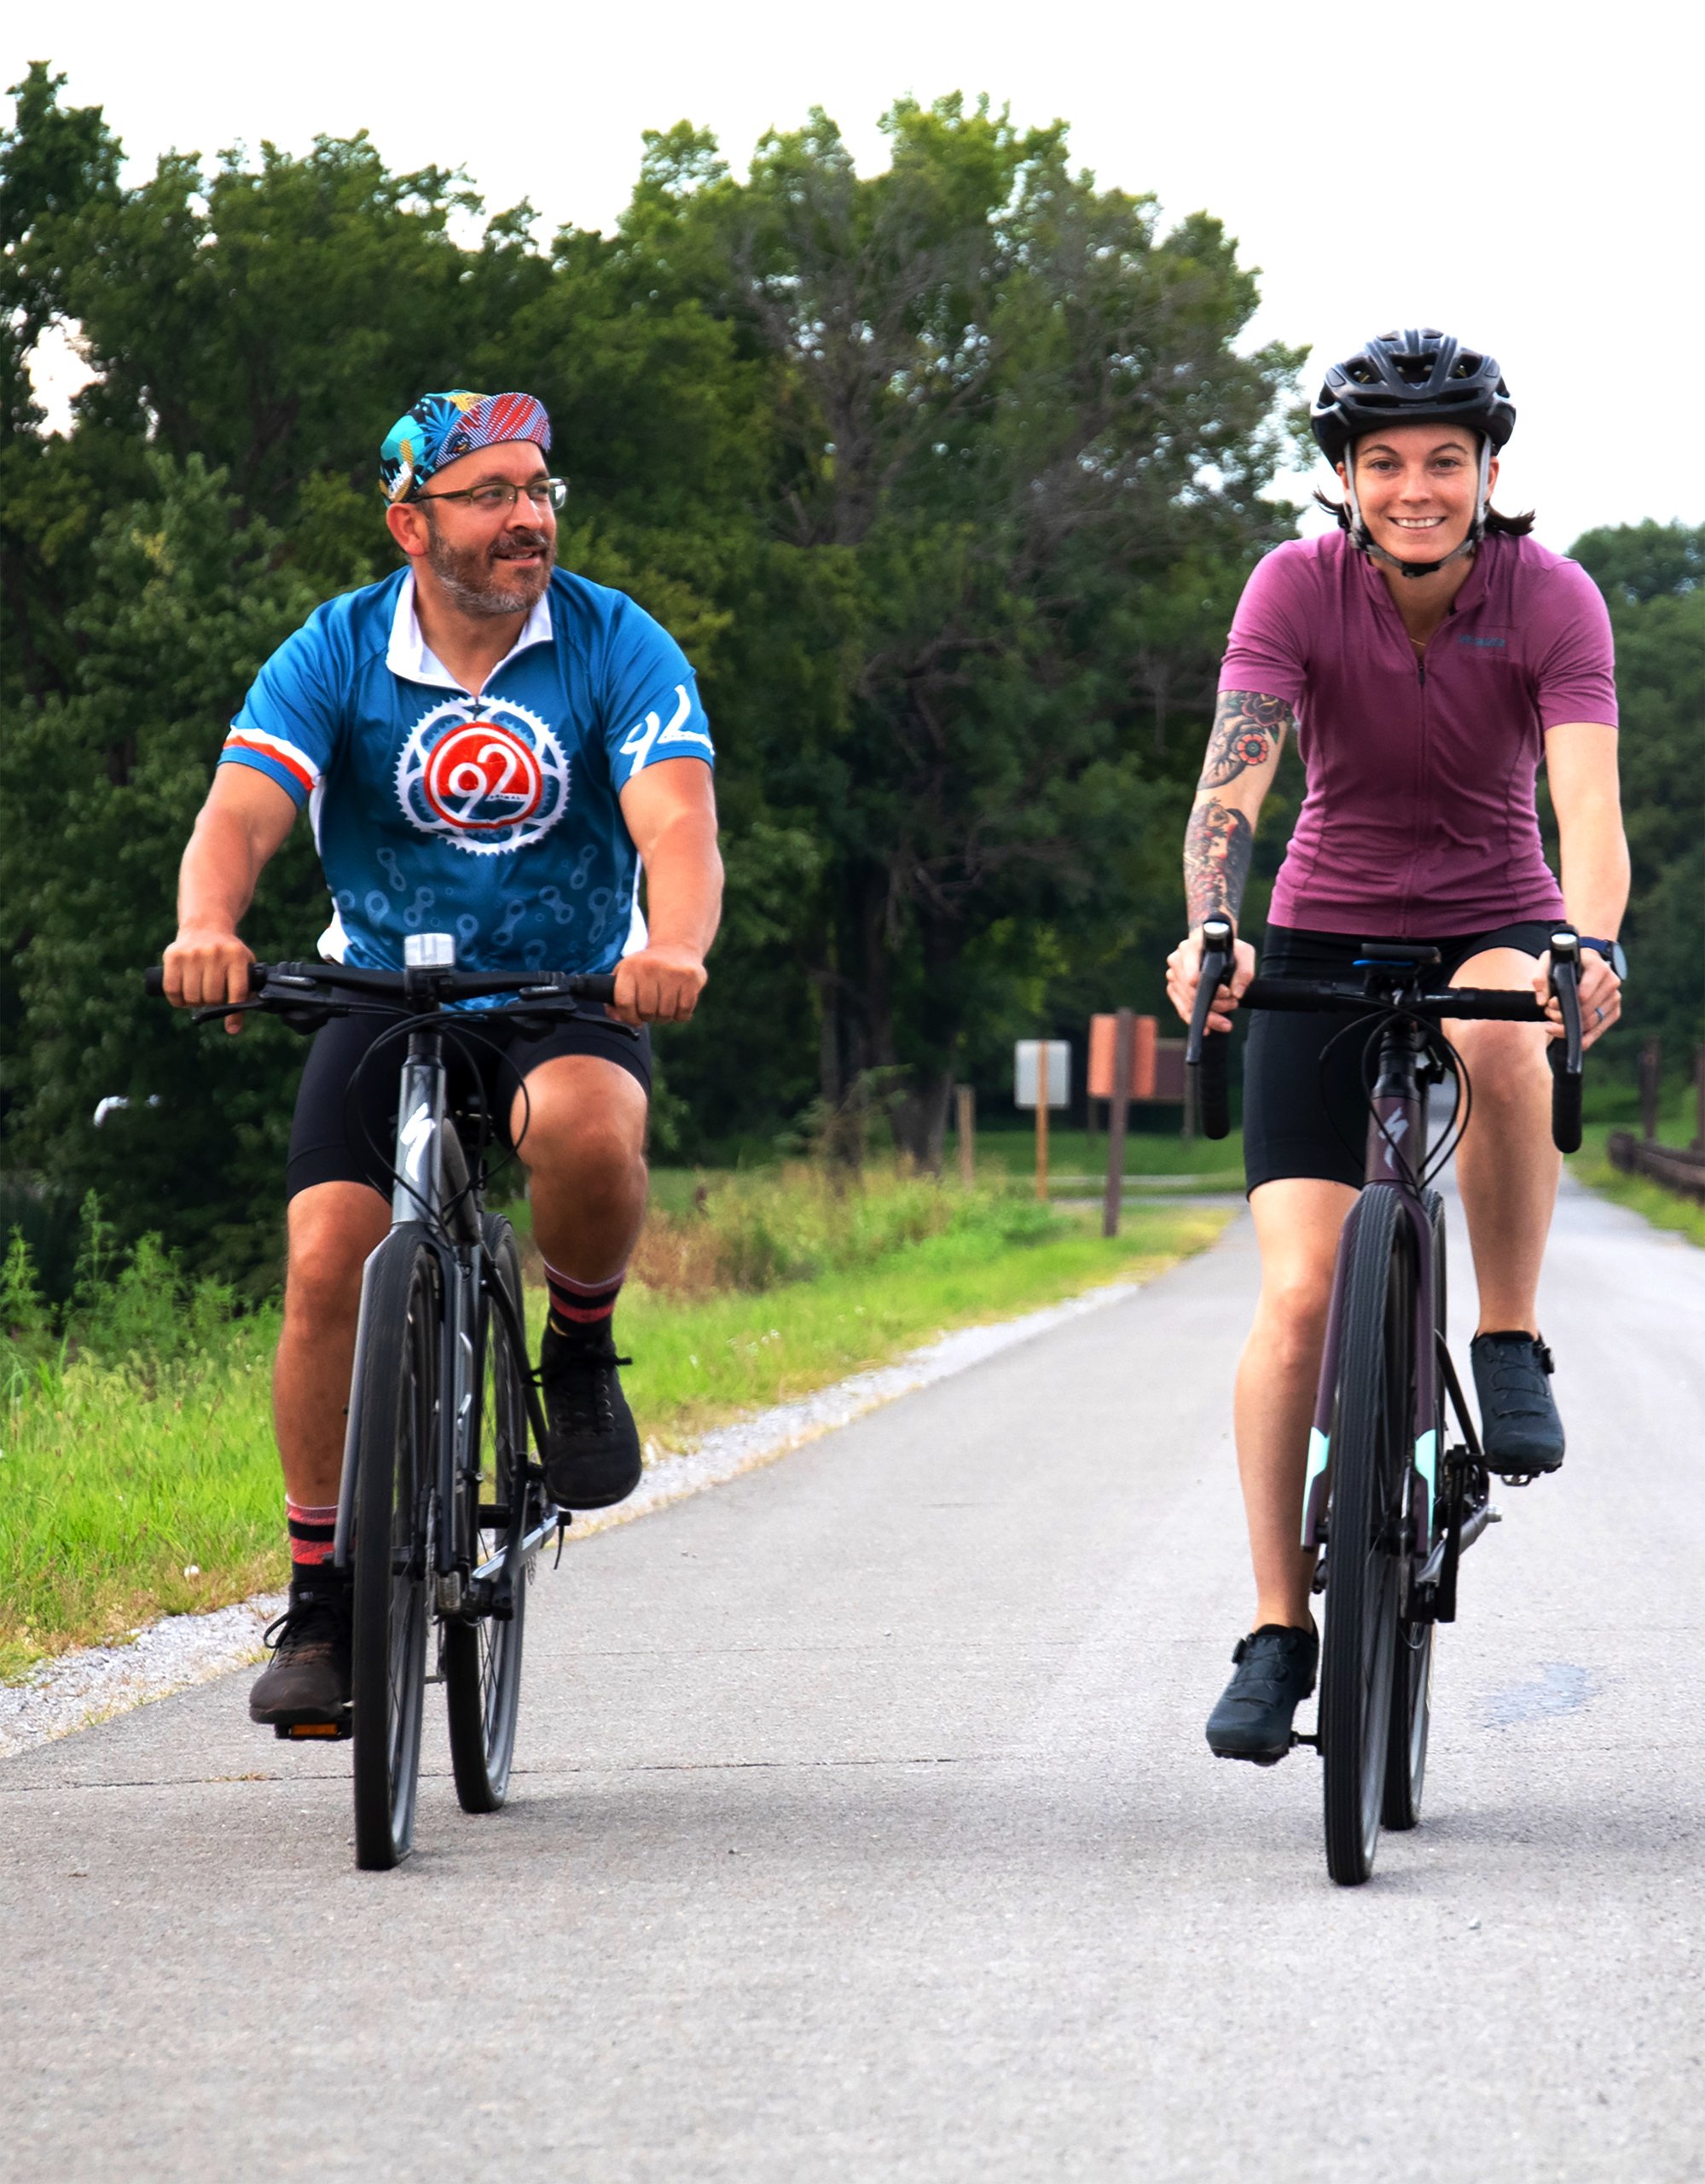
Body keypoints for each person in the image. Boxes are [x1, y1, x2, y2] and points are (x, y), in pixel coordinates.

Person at [163, 389, 722, 1730]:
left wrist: (678, 945)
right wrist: (206, 927)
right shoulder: (337, 649)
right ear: (411, 520)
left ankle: (577, 1348)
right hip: (382, 983)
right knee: (323, 1260)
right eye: (492, 495)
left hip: (564, 987)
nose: (528, 516)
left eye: (539, 490)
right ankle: (324, 1597)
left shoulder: (611, 641)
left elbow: (678, 822)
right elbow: (241, 813)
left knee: (588, 1133)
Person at [1164, 330, 1628, 1765]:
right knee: (1299, 1298)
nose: (1416, 488)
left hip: (1494, 912)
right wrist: (1212, 929)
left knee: (1506, 1038)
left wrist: (1592, 947)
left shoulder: (1549, 598)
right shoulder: (1292, 587)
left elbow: (1589, 815)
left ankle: (1503, 1338)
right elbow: (1230, 784)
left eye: (1444, 461)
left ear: (1490, 470)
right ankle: (1274, 1628)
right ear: (1346, 478)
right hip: (1319, 935)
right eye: (1385, 464)